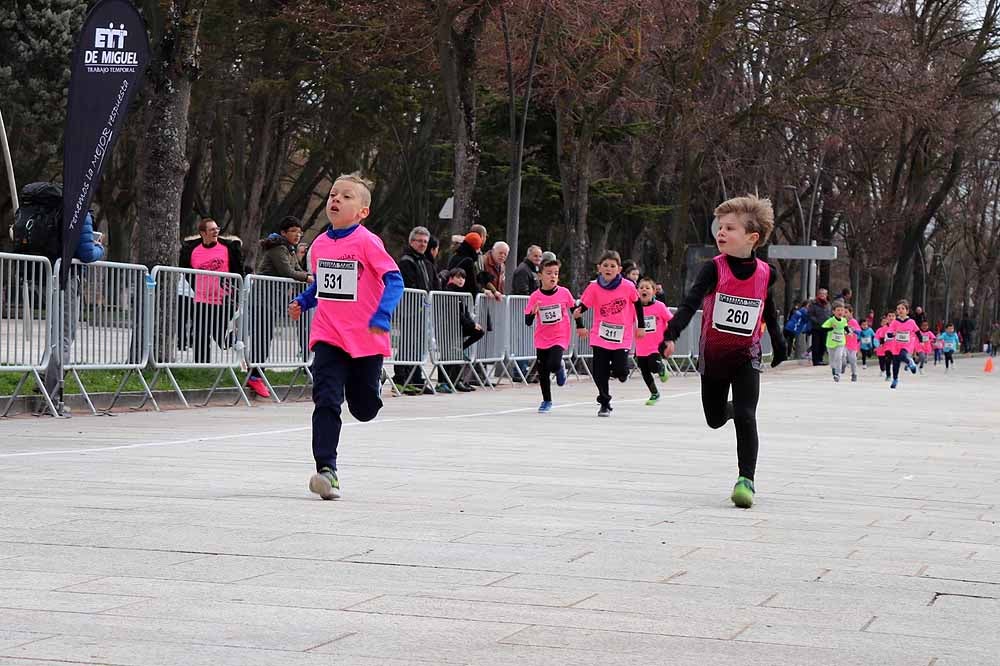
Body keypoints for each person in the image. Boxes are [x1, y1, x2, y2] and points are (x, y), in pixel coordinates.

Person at [661, 195, 786, 509]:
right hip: (715, 357)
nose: (721, 232)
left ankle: (746, 480)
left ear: (751, 237)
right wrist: (671, 332)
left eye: (730, 228)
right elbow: (691, 302)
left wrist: (778, 341)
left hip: (747, 355)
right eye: (720, 227)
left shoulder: (766, 273)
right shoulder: (713, 269)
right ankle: (730, 409)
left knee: (747, 415)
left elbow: (767, 308)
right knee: (716, 418)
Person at [287, 173, 404, 500]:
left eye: (346, 196)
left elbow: (395, 281)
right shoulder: (319, 245)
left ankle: (375, 380)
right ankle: (327, 470)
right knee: (326, 398)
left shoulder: (368, 242)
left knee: (365, 409)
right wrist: (305, 300)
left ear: (362, 211)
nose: (336, 200)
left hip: (366, 338)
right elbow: (323, 285)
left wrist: (382, 315)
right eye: (333, 195)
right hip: (328, 335)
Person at [42, 210, 106, 413]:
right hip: (67, 278)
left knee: (55, 332)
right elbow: (87, 253)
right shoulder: (80, 211)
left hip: (46, 273)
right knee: (65, 335)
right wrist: (99, 249)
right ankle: (53, 394)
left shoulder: (54, 207)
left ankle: (46, 381)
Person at [573, 250, 644, 417]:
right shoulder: (594, 287)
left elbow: (638, 305)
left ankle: (620, 372)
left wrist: (641, 326)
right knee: (599, 371)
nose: (609, 269)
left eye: (612, 266)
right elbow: (582, 307)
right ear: (599, 268)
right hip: (600, 334)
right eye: (605, 265)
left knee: (621, 371)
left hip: (622, 334)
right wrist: (579, 318)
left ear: (619, 269)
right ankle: (604, 403)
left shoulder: (628, 286)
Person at [250, 216, 313, 398]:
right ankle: (255, 375)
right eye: (293, 231)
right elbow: (287, 271)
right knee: (261, 338)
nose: (298, 234)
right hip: (262, 299)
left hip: (272, 300)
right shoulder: (278, 247)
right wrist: (308, 278)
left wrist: (309, 275)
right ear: (284, 233)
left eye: (300, 231)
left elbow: (297, 269)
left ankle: (256, 373)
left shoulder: (289, 249)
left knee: (265, 338)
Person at [179, 218, 245, 365]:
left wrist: (235, 293)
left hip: (224, 301)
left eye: (217, 228)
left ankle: (236, 338)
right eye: (212, 229)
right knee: (200, 334)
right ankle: (202, 366)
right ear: (203, 233)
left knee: (219, 336)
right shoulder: (193, 251)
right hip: (201, 300)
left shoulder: (227, 249)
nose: (216, 231)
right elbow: (189, 273)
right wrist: (199, 288)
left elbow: (238, 271)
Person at [524, 258, 576, 412]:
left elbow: (575, 310)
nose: (553, 276)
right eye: (548, 273)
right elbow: (527, 321)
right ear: (540, 276)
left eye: (556, 273)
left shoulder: (564, 293)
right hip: (542, 337)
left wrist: (580, 325)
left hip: (560, 335)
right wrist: (533, 313)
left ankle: (559, 367)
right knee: (543, 371)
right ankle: (547, 401)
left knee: (553, 364)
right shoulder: (535, 296)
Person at [394, 226, 437, 394]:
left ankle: (416, 378)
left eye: (425, 242)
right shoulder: (406, 261)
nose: (422, 244)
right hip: (410, 309)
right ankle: (402, 378)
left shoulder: (426, 261)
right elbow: (409, 284)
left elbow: (432, 284)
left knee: (419, 346)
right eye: (419, 241)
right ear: (411, 242)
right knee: (407, 344)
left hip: (423, 309)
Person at [437, 268, 485, 393]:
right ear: (451, 278)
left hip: (458, 327)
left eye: (463, 278)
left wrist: (473, 324)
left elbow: (465, 312)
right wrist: (470, 324)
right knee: (446, 356)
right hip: (447, 327)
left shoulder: (461, 293)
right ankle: (443, 382)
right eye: (458, 277)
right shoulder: (449, 292)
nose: (461, 280)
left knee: (479, 332)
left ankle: (456, 379)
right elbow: (455, 313)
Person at [635, 276, 672, 405]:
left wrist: (670, 337)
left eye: (647, 288)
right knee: (645, 372)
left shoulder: (659, 306)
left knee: (653, 365)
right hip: (640, 347)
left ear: (654, 291)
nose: (644, 290)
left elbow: (670, 320)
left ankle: (661, 368)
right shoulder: (634, 308)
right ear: (637, 291)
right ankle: (654, 393)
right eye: (641, 287)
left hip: (656, 346)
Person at [887, 299, 920, 389]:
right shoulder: (894, 322)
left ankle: (910, 362)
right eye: (898, 309)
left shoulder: (911, 322)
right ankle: (895, 379)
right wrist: (891, 334)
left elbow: (917, 331)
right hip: (896, 345)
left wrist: (920, 339)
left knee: (903, 355)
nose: (900, 310)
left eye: (903, 308)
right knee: (895, 363)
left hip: (907, 344)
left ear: (907, 311)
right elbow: (889, 332)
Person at [821, 300, 850, 382]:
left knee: (839, 356)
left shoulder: (844, 320)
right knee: (832, 360)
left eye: (842, 310)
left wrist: (849, 332)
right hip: (831, 343)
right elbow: (823, 328)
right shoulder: (831, 320)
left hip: (840, 342)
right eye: (838, 310)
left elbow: (845, 327)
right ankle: (834, 369)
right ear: (833, 311)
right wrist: (831, 328)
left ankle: (837, 374)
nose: (840, 312)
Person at [807, 288, 832, 365]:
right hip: (816, 327)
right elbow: (810, 315)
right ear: (818, 295)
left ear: (826, 295)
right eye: (821, 294)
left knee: (823, 344)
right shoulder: (813, 304)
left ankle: (820, 358)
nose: (822, 296)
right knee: (816, 344)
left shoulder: (828, 304)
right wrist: (817, 321)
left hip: (825, 327)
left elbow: (829, 314)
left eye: (824, 294)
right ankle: (816, 360)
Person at [842, 304, 861, 381]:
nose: (844, 314)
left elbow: (859, 332)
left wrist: (854, 330)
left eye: (846, 312)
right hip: (843, 344)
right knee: (842, 357)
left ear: (851, 313)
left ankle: (854, 374)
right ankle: (843, 366)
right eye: (843, 312)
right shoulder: (841, 321)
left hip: (852, 346)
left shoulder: (853, 322)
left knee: (853, 360)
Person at [874, 314, 892, 381]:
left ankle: (887, 372)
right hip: (880, 349)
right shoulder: (879, 330)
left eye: (885, 321)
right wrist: (876, 345)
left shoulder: (890, 328)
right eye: (883, 322)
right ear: (881, 323)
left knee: (887, 360)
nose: (884, 323)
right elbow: (876, 338)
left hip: (887, 348)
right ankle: (882, 369)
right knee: (881, 361)